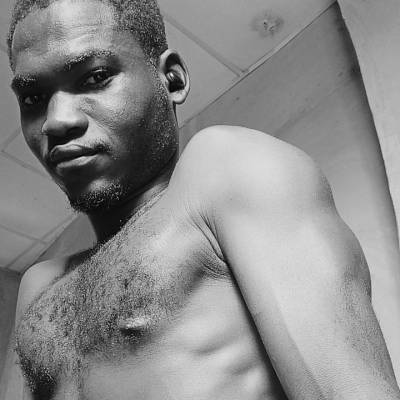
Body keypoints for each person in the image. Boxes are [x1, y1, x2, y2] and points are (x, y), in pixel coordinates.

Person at [7, 0, 400, 399]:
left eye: (95, 77)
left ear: (172, 80)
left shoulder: (224, 168)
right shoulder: (39, 289)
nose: (57, 121)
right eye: (33, 99)